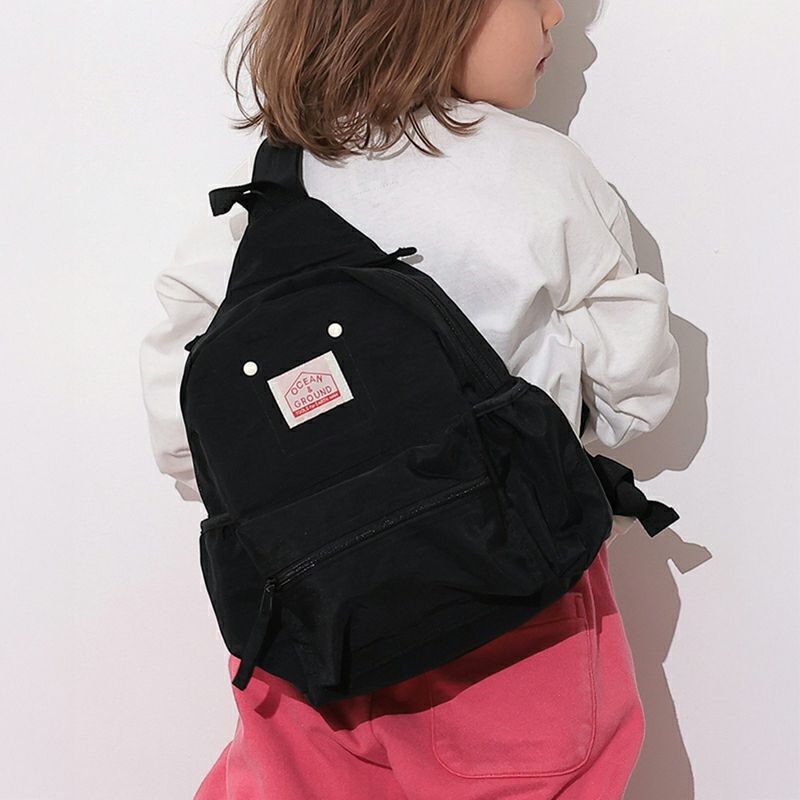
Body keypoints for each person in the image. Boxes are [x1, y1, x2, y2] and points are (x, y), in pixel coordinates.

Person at [139, 0, 680, 797]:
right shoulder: (536, 170)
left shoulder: (253, 210)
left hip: (311, 635)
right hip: (509, 608)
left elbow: (182, 438)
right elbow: (636, 389)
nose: (556, 15)